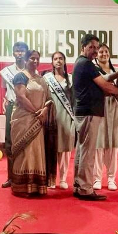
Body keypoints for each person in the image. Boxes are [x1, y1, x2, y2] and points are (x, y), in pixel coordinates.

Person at [72, 34, 118, 201]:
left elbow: (104, 78)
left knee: (82, 150)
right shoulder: (86, 64)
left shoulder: (82, 63)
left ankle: (79, 185)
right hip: (89, 112)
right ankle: (86, 189)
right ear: (83, 47)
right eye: (91, 47)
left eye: (96, 47)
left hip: (84, 112)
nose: (94, 51)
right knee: (88, 152)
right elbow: (105, 85)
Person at [10, 50, 57, 197]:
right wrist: (37, 112)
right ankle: (22, 187)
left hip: (38, 120)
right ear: (25, 59)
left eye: (37, 59)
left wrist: (45, 110)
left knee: (36, 152)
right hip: (23, 120)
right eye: (32, 58)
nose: (35, 61)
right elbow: (21, 97)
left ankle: (36, 186)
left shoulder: (41, 79)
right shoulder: (21, 76)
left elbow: (49, 99)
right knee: (25, 152)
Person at [93, 43, 118, 191]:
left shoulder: (116, 70)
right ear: (96, 55)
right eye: (101, 52)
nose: (104, 54)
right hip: (99, 108)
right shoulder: (94, 70)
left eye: (106, 51)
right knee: (99, 145)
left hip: (114, 109)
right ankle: (97, 178)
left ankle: (111, 178)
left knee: (113, 146)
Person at [43, 51, 75, 189]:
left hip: (66, 116)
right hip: (51, 117)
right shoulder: (46, 78)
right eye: (55, 59)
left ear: (64, 61)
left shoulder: (71, 79)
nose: (58, 61)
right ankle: (51, 179)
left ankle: (63, 178)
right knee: (51, 147)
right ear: (52, 62)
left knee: (65, 149)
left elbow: (74, 99)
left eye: (61, 58)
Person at [0, 41, 29, 189]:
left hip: (26, 109)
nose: (19, 53)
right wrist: (6, 102)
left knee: (26, 141)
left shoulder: (30, 70)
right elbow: (5, 91)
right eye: (17, 51)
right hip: (12, 107)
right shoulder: (6, 71)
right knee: (10, 142)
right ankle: (11, 177)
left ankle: (25, 175)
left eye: (22, 51)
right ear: (13, 53)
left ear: (26, 53)